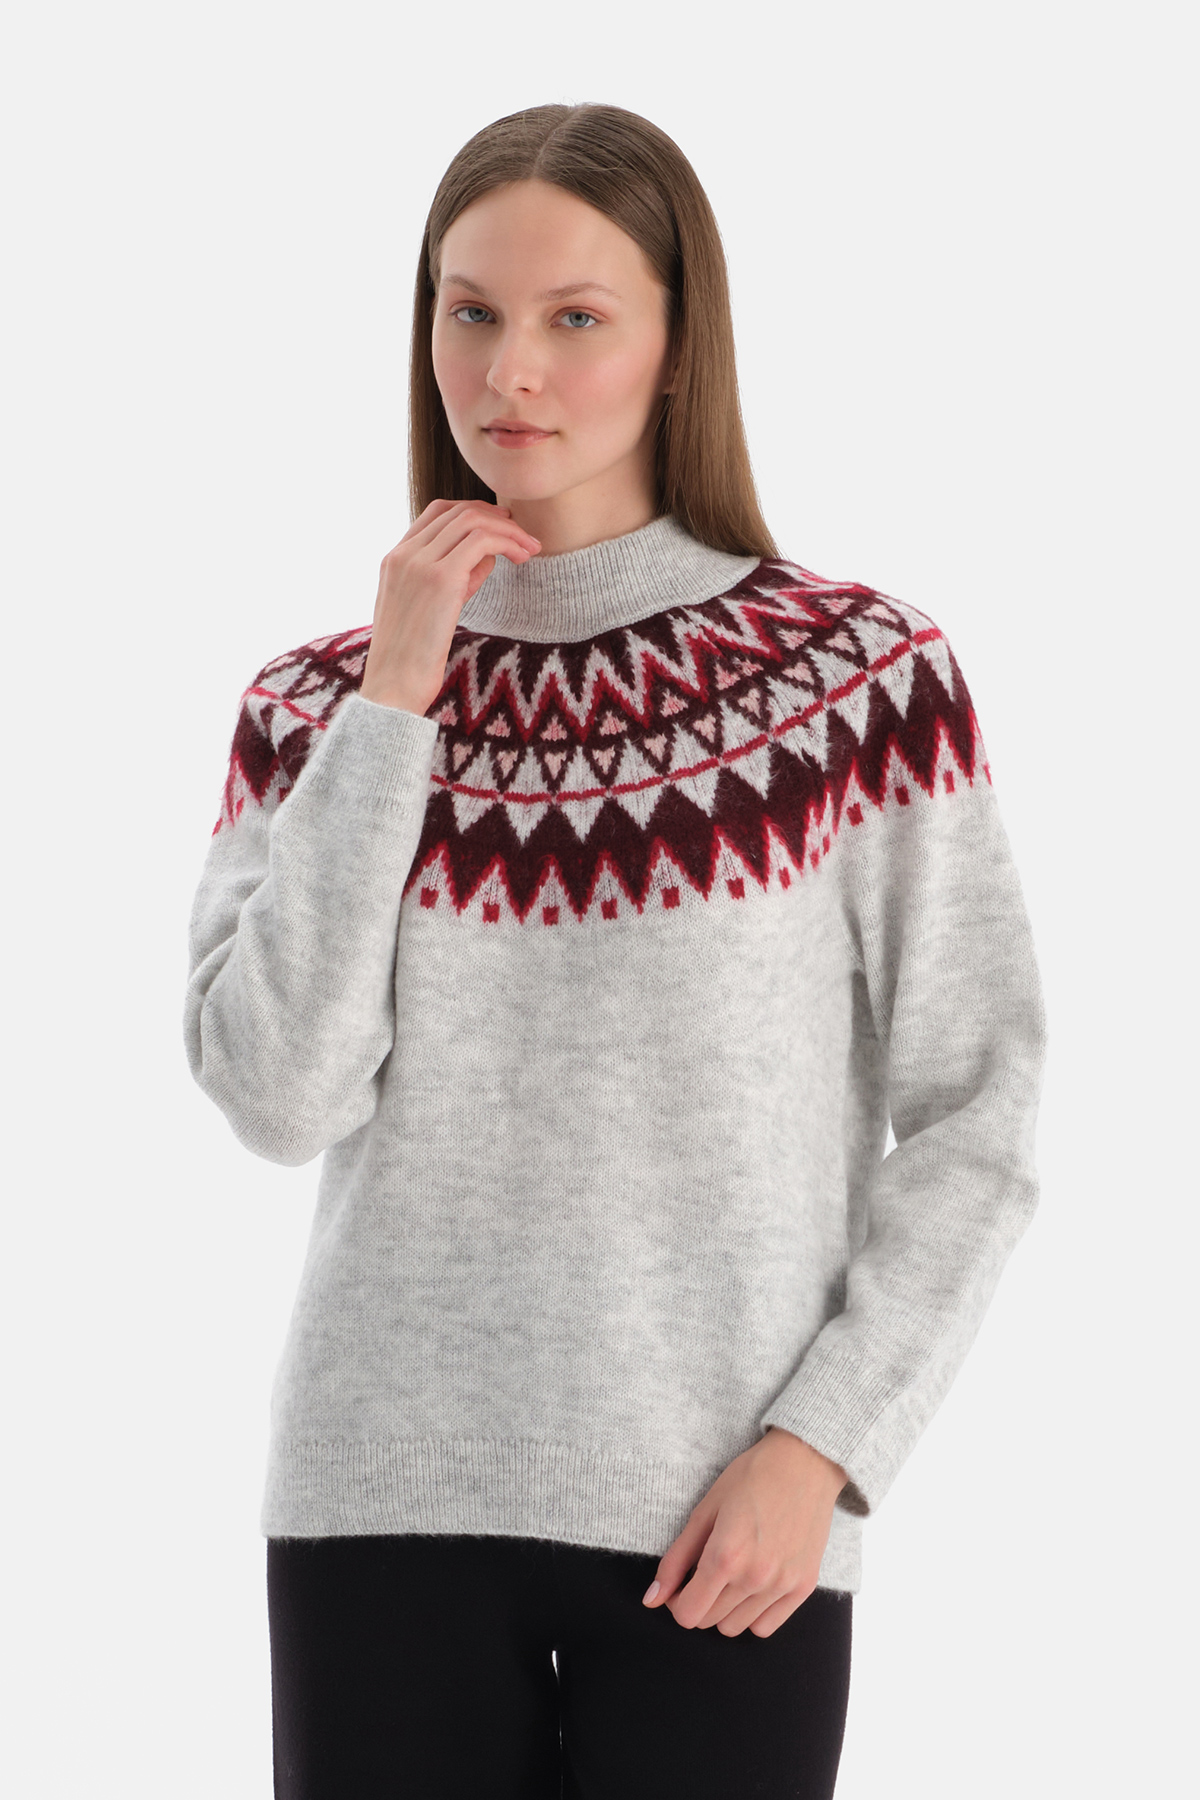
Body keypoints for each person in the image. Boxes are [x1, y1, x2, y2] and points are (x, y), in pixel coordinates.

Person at [183, 101, 1047, 1800]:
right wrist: (397, 699)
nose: (510, 370)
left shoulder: (854, 682)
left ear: (677, 348)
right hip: (378, 1506)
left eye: (576, 316)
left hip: (729, 1523)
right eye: (471, 310)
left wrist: (825, 1447)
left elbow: (981, 1111)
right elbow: (279, 1095)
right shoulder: (316, 705)